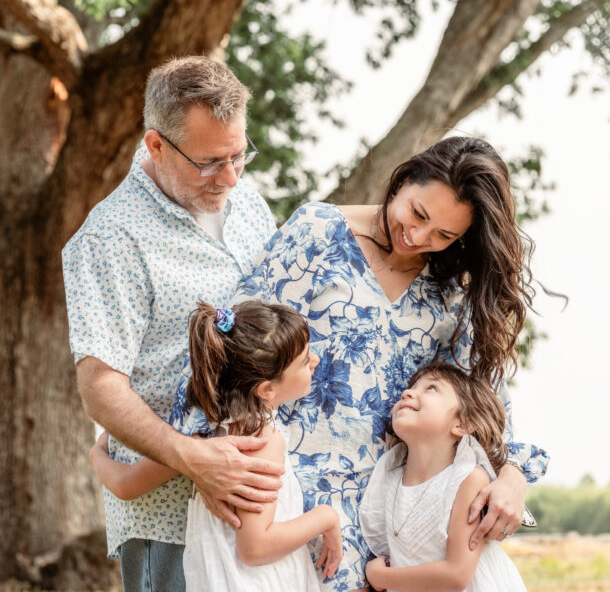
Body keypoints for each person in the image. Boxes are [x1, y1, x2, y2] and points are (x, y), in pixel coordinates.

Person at [186, 135, 547, 591]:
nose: (418, 237)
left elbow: (486, 399)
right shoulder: (317, 233)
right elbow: (229, 345)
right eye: (418, 214)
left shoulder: (451, 291)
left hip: (386, 522)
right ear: (403, 179)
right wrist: (199, 454)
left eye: (444, 235)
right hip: (287, 507)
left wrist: (513, 475)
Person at [62, 56, 280, 591]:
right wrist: (193, 458)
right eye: (210, 162)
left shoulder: (249, 203)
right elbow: (100, 387)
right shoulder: (110, 237)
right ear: (157, 145)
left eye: (239, 155)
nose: (229, 177)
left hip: (258, 511)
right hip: (168, 520)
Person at [89, 300, 343, 591]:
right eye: (304, 360)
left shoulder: (204, 441)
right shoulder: (262, 440)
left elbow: (125, 485)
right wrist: (326, 518)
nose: (316, 361)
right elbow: (255, 548)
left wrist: (96, 454)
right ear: (267, 389)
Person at [360, 362, 527, 591]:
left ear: (462, 424)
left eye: (431, 389)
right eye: (412, 387)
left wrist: (381, 577)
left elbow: (456, 575)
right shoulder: (389, 477)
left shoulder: (468, 479)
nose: (407, 393)